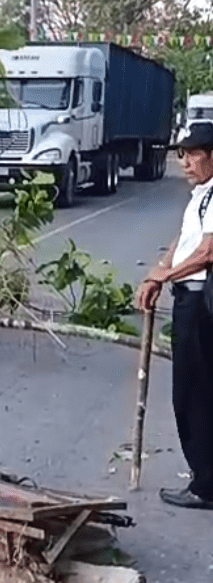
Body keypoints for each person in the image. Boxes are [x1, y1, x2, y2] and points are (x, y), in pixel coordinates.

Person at [135, 122, 213, 510]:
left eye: (195, 154)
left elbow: (208, 252)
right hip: (188, 299)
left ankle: (205, 486)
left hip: (202, 305)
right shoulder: (200, 195)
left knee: (194, 394)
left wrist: (167, 274)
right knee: (191, 392)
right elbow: (182, 243)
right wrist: (157, 273)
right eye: (183, 154)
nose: (186, 162)